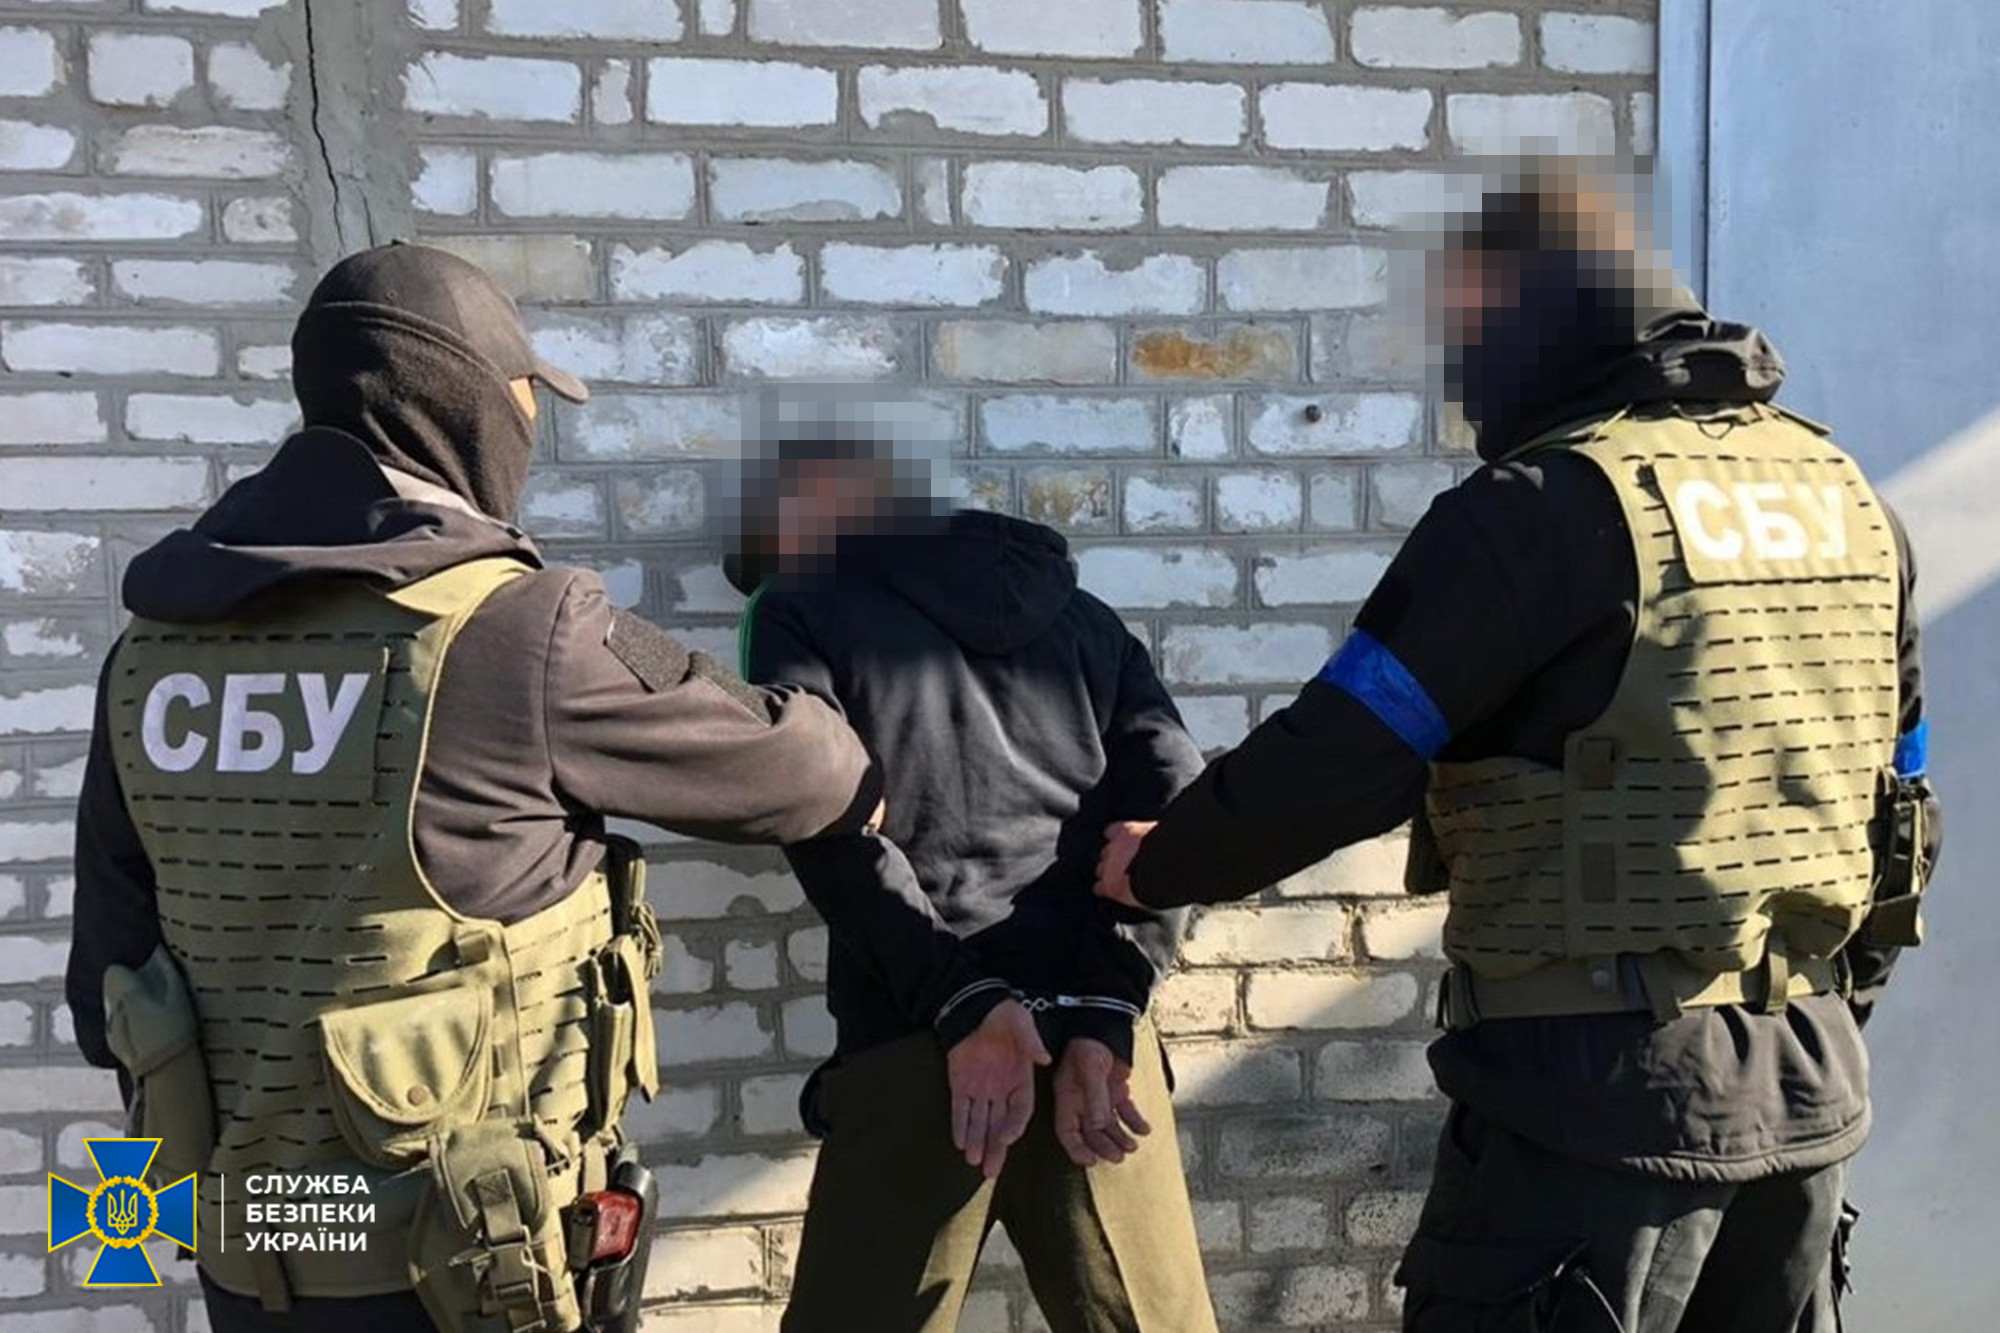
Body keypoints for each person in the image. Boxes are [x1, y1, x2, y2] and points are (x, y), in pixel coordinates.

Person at [1096, 171, 1940, 1332]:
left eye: (1463, 323)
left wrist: (1158, 863)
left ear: (1529, 309)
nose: (1454, 365)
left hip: (1587, 1113)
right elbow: (1900, 805)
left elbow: (1345, 752)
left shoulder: (1537, 506)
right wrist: (1817, 1010)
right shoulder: (1848, 501)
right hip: (1806, 1094)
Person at [65, 243, 883, 1333]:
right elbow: (804, 770)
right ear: (464, 401)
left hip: (252, 1256)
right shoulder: (510, 629)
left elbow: (106, 993)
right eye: (526, 395)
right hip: (469, 1271)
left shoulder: (151, 654)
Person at [729, 437, 1220, 1333]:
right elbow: (1174, 819)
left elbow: (824, 822)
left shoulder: (794, 605)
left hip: (922, 1045)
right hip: (1092, 1051)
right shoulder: (1088, 619)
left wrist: (964, 1002)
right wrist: (1107, 1005)